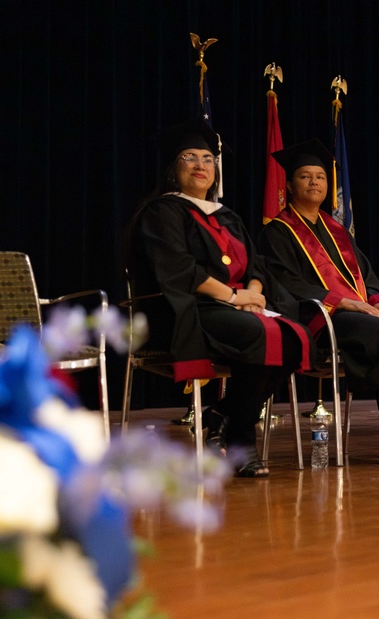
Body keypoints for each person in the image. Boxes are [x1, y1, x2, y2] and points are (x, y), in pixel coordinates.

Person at [125, 118, 314, 478]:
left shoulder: (227, 216)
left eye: (208, 158)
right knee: (259, 334)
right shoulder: (161, 212)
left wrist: (254, 293)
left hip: (236, 308)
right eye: (190, 158)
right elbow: (179, 269)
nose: (201, 165)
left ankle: (223, 415)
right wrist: (233, 295)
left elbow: (257, 265)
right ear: (173, 167)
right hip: (186, 310)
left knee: (296, 337)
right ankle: (241, 440)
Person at [257, 140, 379, 467]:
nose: (315, 182)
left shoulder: (338, 232)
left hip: (359, 315)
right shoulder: (278, 231)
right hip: (317, 318)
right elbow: (285, 283)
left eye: (320, 176)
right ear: (289, 185)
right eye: (305, 176)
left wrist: (377, 301)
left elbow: (366, 275)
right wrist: (344, 302)